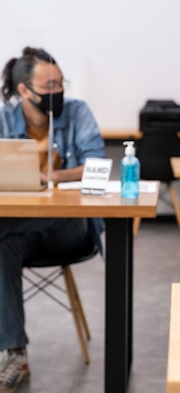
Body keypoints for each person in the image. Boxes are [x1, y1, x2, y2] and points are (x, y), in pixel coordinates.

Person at [0, 47, 105, 392]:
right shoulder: (5, 120)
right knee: (3, 242)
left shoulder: (78, 113)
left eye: (61, 84)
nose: (58, 93)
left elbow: (97, 166)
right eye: (49, 87)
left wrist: (51, 178)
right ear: (24, 91)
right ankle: (15, 352)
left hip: (69, 227)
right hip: (19, 231)